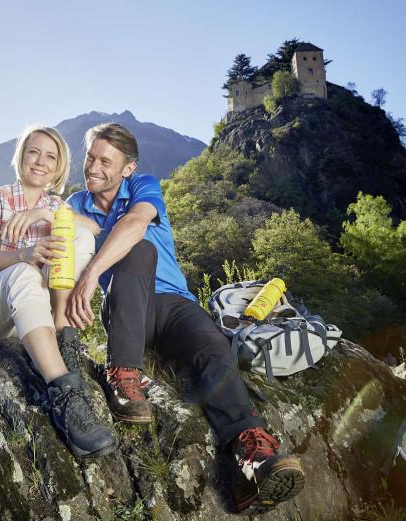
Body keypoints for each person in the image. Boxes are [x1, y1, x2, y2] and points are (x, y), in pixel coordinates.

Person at [65, 123, 306, 512]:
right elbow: (58, 231)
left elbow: (135, 223)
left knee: (213, 348)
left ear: (128, 168)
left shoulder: (144, 186)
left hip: (175, 304)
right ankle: (123, 373)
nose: (93, 166)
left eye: (105, 161)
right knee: (139, 253)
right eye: (90, 156)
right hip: (128, 307)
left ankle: (250, 459)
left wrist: (92, 273)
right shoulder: (76, 203)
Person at [0, 124, 115, 458]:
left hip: (29, 316)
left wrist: (44, 213)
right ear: (21, 157)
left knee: (79, 236)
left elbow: (93, 229)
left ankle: (61, 329)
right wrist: (23, 254)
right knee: (25, 273)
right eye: (34, 152)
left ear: (58, 167)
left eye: (50, 156)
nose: (40, 161)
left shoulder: (55, 205)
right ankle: (64, 396)